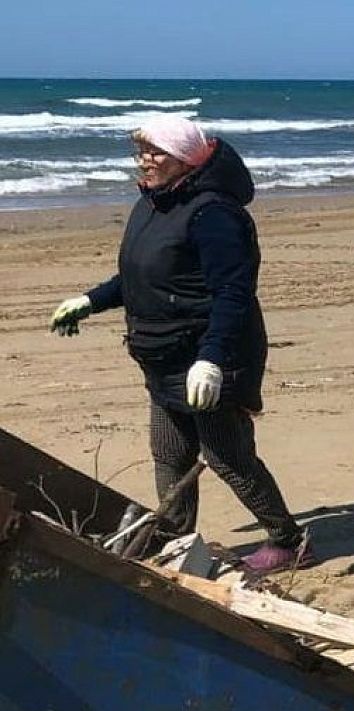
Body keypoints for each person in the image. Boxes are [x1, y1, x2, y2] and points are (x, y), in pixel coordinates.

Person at [50, 115, 311, 575]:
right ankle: (176, 539)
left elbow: (233, 293)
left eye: (156, 153)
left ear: (185, 160)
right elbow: (142, 275)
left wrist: (211, 360)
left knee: (228, 457)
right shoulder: (154, 202)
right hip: (162, 357)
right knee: (169, 453)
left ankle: (289, 541)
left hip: (207, 356)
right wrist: (90, 300)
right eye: (141, 152)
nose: (145, 161)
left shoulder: (214, 213)